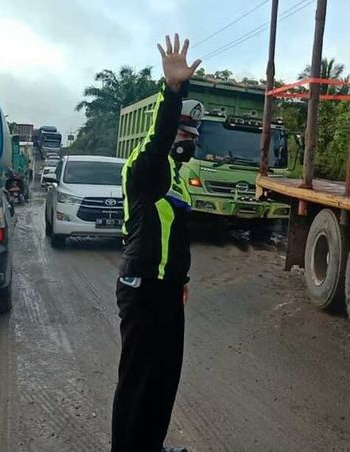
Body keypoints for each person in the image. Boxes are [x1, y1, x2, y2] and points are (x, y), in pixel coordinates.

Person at [111, 33, 203, 452]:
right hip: (142, 287)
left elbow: (176, 232)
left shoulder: (181, 177)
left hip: (168, 288)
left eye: (193, 132)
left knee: (165, 377)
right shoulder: (146, 166)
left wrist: (181, 278)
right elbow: (159, 136)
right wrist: (172, 91)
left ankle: (150, 446)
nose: (191, 138)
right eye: (186, 130)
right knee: (137, 379)